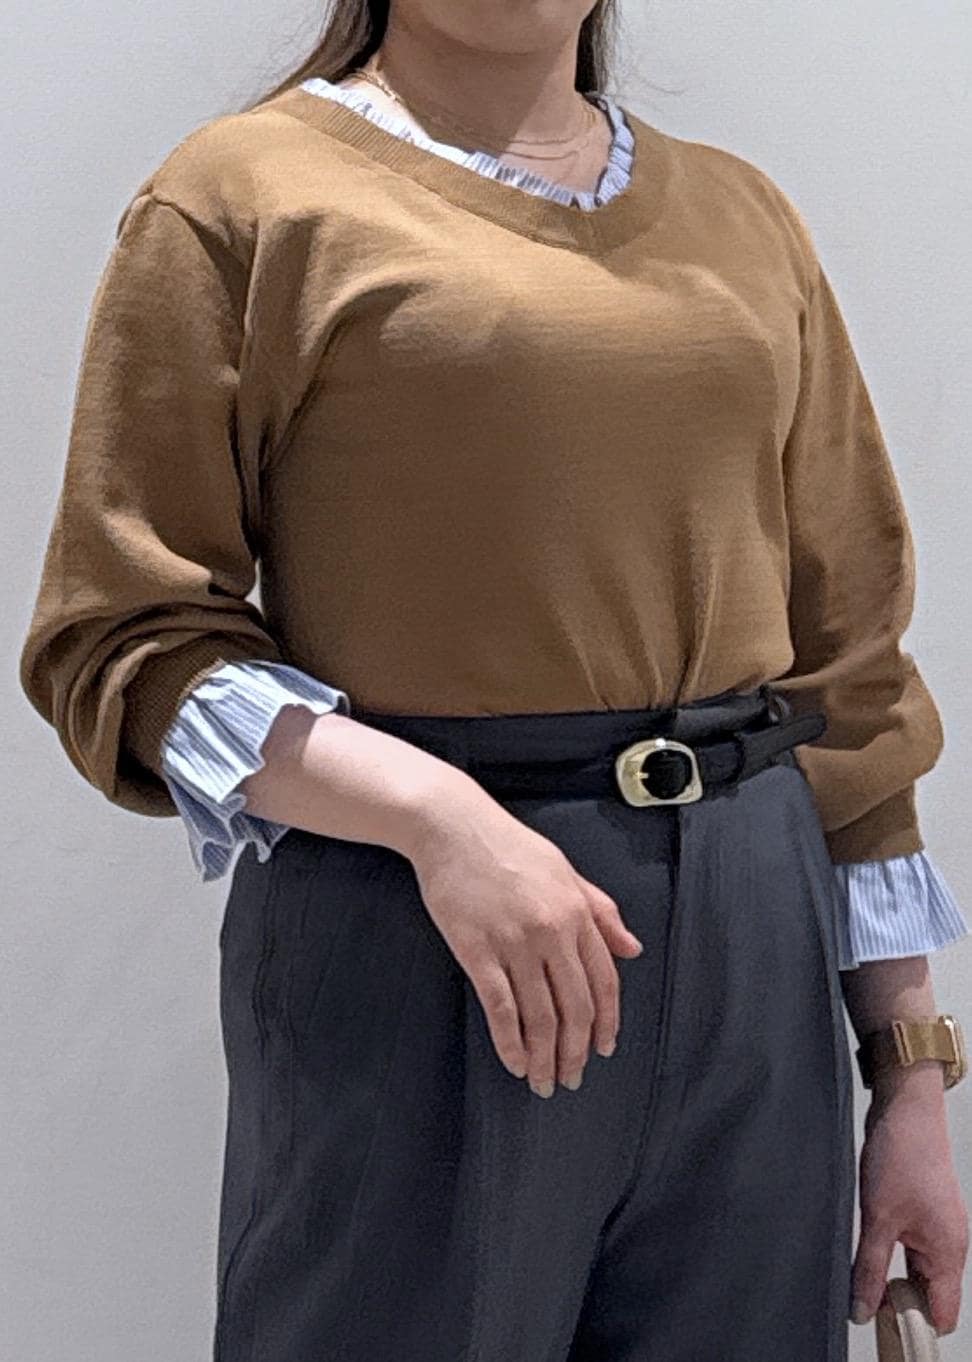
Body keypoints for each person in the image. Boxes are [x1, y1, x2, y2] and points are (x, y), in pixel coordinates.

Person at [18, 2, 971, 1359]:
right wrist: (438, 819)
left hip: (759, 942)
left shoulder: (743, 217)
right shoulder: (242, 200)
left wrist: (909, 1074)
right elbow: (125, 638)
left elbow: (852, 670)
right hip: (425, 941)